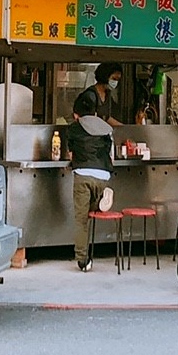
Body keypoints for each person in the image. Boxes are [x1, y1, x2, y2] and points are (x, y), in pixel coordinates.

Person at [67, 100, 116, 272]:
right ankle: (102, 199)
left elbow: (71, 153)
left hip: (82, 174)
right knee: (92, 208)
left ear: (76, 114)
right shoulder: (105, 128)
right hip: (103, 174)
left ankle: (82, 260)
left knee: (81, 220)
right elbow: (111, 154)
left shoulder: (74, 128)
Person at [73, 62, 123, 126]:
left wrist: (124, 128)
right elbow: (87, 121)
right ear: (105, 76)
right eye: (114, 79)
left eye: (118, 80)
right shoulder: (90, 96)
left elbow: (106, 117)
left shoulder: (107, 95)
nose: (115, 82)